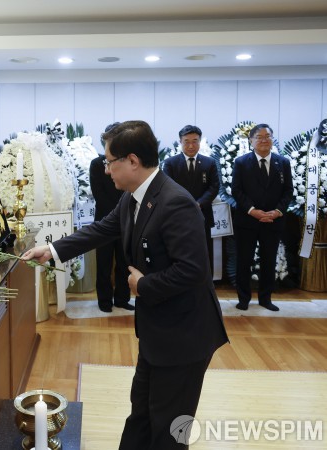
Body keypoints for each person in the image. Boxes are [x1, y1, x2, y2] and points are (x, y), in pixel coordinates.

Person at [23, 120, 228, 450]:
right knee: (141, 415)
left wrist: (142, 285)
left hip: (184, 336)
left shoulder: (175, 202)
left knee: (168, 429)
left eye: (109, 162)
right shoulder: (134, 197)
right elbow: (103, 229)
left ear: (132, 161)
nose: (106, 170)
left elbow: (193, 270)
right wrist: (53, 250)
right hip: (157, 331)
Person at [231, 124, 293, 312]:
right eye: (259, 137)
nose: (264, 140)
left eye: (268, 136)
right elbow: (236, 190)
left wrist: (278, 211)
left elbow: (288, 191)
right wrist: (252, 210)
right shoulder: (241, 162)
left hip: (273, 220)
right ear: (251, 140)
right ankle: (243, 299)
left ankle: (265, 298)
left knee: (269, 260)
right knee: (244, 260)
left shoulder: (283, 163)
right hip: (247, 220)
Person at [89, 122, 134, 312]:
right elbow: (98, 194)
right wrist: (116, 214)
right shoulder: (96, 164)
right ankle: (104, 300)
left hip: (127, 221)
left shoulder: (129, 163)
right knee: (104, 263)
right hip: (104, 221)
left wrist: (123, 214)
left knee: (125, 262)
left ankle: (122, 298)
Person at [162, 125, 219, 267]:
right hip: (178, 216)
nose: (191, 145)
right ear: (180, 142)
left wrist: (199, 203)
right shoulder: (170, 163)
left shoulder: (210, 163)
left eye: (195, 141)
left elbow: (214, 187)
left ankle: (205, 281)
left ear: (200, 142)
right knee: (179, 253)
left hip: (203, 215)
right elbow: (167, 188)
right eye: (186, 142)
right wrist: (186, 205)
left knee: (204, 254)